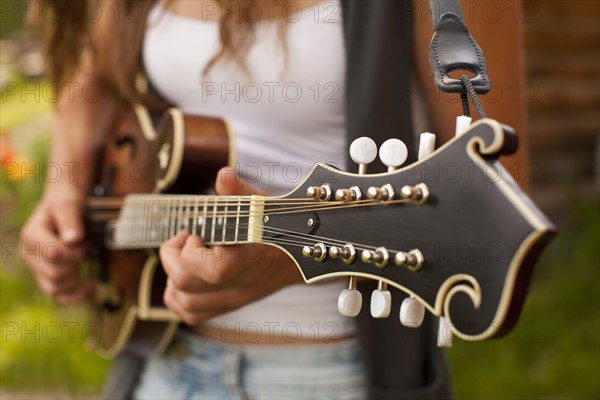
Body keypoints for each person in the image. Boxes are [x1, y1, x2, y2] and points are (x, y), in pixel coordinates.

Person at [20, 0, 527, 398]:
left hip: (334, 373)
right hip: (162, 364)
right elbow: (92, 80)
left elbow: (495, 198)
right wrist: (64, 188)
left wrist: (288, 259)